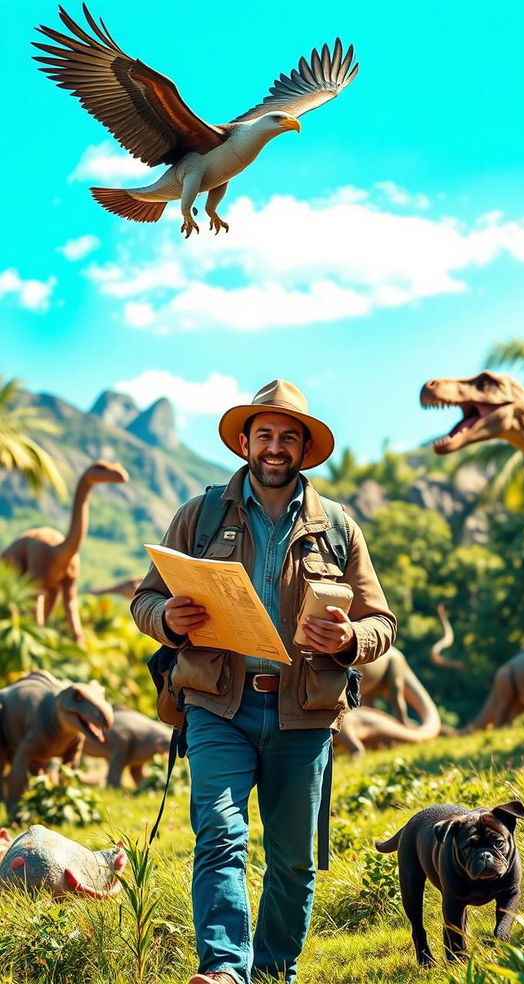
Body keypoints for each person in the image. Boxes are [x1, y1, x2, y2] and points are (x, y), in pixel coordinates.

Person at [131, 379, 396, 984]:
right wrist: (166, 620)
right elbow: (144, 600)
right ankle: (225, 970)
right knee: (219, 835)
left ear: (304, 449)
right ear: (245, 442)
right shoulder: (198, 517)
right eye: (265, 435)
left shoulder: (339, 529)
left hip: (304, 715)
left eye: (288, 438)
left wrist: (352, 641)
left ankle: (275, 971)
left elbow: (382, 622)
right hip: (216, 707)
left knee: (294, 862)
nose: (275, 447)